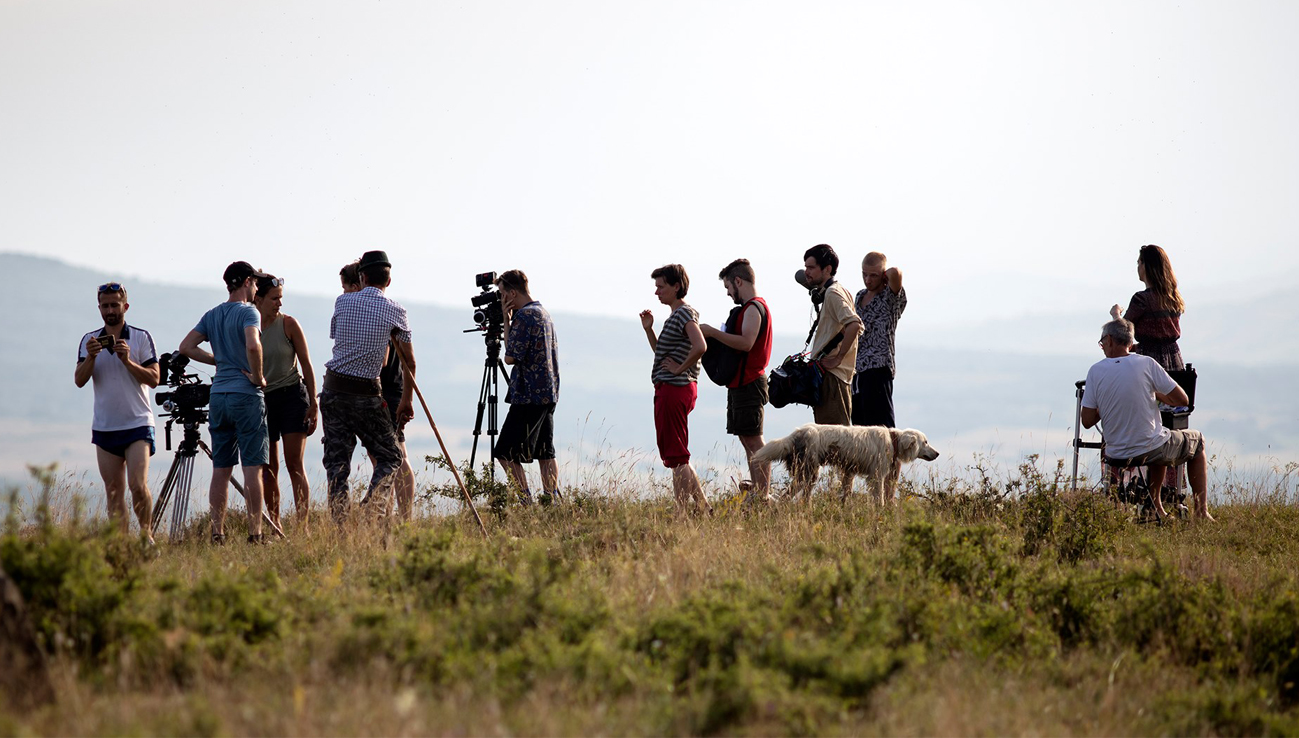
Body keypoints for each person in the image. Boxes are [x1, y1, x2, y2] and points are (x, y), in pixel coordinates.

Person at [1080, 319, 1214, 521]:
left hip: (1115, 453)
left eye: (1101, 343)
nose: (1102, 348)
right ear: (1130, 343)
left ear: (1109, 340)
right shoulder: (1146, 363)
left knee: (1158, 438)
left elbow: (1087, 420)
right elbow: (1183, 399)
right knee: (1198, 442)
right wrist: (1155, 394)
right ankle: (1201, 512)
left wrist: (1106, 402)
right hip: (1149, 447)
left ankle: (1155, 507)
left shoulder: (1095, 371)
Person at [179, 261, 270, 544]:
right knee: (252, 468)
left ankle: (217, 533)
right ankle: (255, 533)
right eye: (255, 283)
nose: (256, 288)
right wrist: (258, 377)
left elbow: (186, 347)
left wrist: (217, 359)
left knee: (221, 469)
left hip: (219, 395)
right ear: (245, 282)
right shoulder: (249, 312)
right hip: (245, 395)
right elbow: (253, 345)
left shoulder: (213, 314)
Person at [321, 250, 414, 521]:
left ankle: (340, 526)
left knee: (337, 464)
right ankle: (373, 505)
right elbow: (410, 362)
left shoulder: (342, 302)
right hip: (367, 393)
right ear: (389, 280)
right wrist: (407, 401)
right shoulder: (396, 310)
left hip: (334, 389)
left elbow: (337, 337)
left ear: (361, 277)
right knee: (391, 455)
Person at [74, 282, 160, 544]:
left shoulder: (141, 337)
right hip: (105, 427)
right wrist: (90, 358)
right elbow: (79, 380)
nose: (110, 310)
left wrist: (128, 361)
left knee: (137, 484)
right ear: (99, 307)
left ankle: (146, 536)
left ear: (125, 306)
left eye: (114, 304)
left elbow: (155, 378)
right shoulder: (89, 341)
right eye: (105, 305)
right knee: (113, 492)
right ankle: (121, 548)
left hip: (137, 423)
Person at [699, 259, 773, 500]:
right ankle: (759, 492)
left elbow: (746, 343)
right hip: (742, 383)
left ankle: (763, 495)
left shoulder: (753, 308)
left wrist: (713, 333)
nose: (729, 293)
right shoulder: (752, 307)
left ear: (738, 281)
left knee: (753, 440)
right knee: (746, 438)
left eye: (729, 287)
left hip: (750, 381)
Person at [640, 264, 710, 515]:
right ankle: (703, 507)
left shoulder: (683, 314)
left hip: (674, 388)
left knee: (676, 457)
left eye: (661, 286)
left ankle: (681, 514)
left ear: (676, 286)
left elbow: (700, 345)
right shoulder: (677, 316)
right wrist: (650, 330)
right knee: (678, 454)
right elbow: (662, 354)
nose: (657, 292)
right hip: (676, 387)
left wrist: (680, 369)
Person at [252, 274, 318, 530]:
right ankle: (275, 523)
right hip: (263, 401)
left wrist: (314, 402)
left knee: (294, 464)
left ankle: (303, 526)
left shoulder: (289, 324)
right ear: (258, 299)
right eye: (274, 299)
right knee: (269, 467)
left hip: (292, 397)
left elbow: (306, 364)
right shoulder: (250, 327)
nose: (279, 303)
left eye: (281, 298)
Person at [493, 270, 562, 505]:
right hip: (548, 392)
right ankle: (551, 499)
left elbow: (511, 356)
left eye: (502, 293)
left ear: (512, 293)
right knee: (545, 451)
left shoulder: (524, 317)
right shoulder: (543, 313)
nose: (501, 298)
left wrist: (506, 320)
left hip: (528, 396)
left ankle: (525, 501)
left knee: (504, 453)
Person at [803, 244, 862, 426]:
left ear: (827, 269)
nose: (806, 272)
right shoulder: (836, 290)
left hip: (832, 377)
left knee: (834, 442)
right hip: (831, 377)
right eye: (806, 267)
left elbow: (854, 324)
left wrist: (838, 358)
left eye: (811, 267)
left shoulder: (833, 293)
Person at [852, 252, 906, 428]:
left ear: (882, 275)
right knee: (860, 429)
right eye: (864, 274)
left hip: (878, 368)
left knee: (882, 428)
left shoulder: (889, 297)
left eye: (873, 275)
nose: (868, 280)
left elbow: (895, 273)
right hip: (857, 370)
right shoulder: (859, 296)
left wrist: (885, 277)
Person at [1111, 244, 1186, 371]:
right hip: (1174, 360)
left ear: (1146, 266)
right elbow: (1160, 339)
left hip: (1149, 363)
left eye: (1139, 263)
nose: (1137, 267)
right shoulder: (1173, 298)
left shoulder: (1141, 299)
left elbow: (1121, 333)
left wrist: (1115, 314)